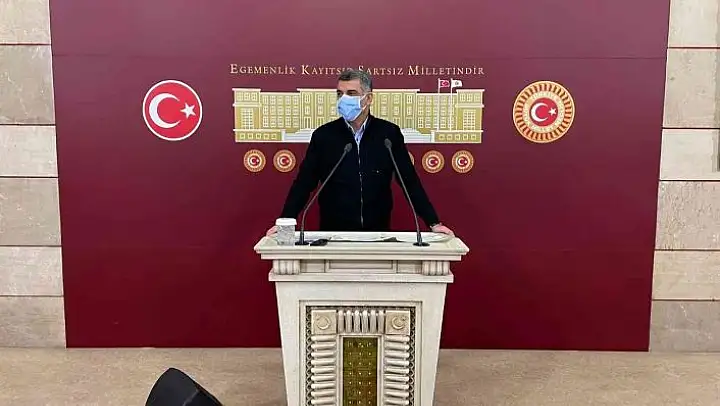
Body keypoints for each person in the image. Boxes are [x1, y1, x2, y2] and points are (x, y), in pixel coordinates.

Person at [266, 69, 453, 236]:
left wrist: (433, 222)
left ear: (368, 98)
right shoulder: (324, 135)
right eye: (340, 94)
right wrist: (285, 221)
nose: (343, 99)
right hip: (334, 233)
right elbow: (304, 183)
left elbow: (409, 181)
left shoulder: (388, 134)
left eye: (351, 93)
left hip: (377, 232)